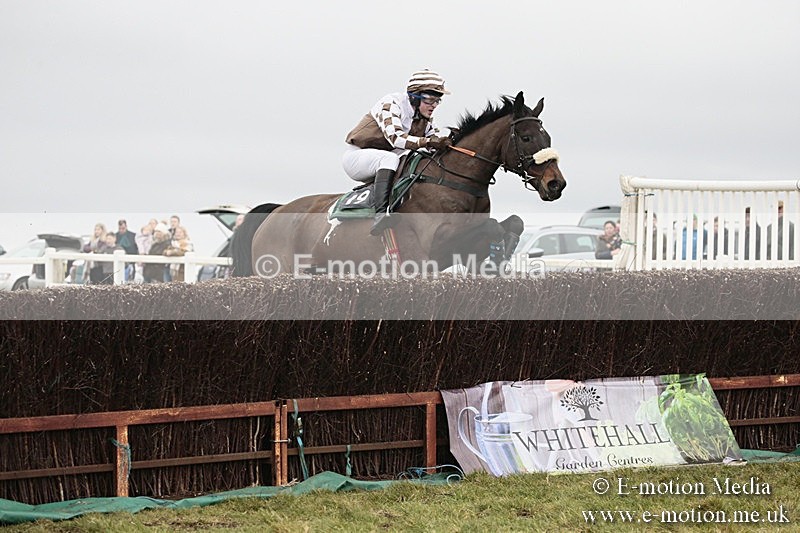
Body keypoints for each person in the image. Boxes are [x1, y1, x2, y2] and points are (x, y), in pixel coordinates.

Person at [343, 68, 453, 235]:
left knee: (417, 159)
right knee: (389, 159)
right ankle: (380, 215)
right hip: (358, 157)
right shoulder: (391, 103)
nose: (434, 106)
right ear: (414, 96)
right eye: (430, 99)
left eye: (437, 100)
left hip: (389, 155)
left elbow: (432, 141)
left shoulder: (424, 117)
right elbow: (396, 138)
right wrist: (428, 141)